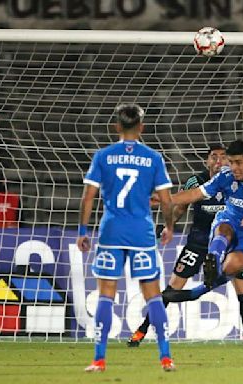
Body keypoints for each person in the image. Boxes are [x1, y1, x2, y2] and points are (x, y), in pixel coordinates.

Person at [127, 144, 243, 349]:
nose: (218, 161)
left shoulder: (237, 182)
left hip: (229, 244)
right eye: (213, 157)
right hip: (198, 242)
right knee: (172, 288)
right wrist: (168, 227)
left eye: (223, 157)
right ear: (206, 161)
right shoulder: (196, 181)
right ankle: (142, 330)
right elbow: (181, 206)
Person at [77, 104, 176, 373]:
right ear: (141, 127)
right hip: (142, 233)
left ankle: (99, 359)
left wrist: (82, 231)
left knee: (106, 294)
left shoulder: (103, 156)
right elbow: (166, 201)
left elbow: (88, 197)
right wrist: (168, 226)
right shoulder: (153, 158)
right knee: (153, 295)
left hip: (111, 232)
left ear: (117, 127)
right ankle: (165, 357)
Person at [164, 137, 243, 309]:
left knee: (232, 266)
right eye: (231, 162)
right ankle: (214, 259)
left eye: (238, 162)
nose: (233, 167)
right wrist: (165, 199)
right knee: (224, 230)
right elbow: (195, 194)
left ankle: (200, 289)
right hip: (228, 220)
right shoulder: (226, 176)